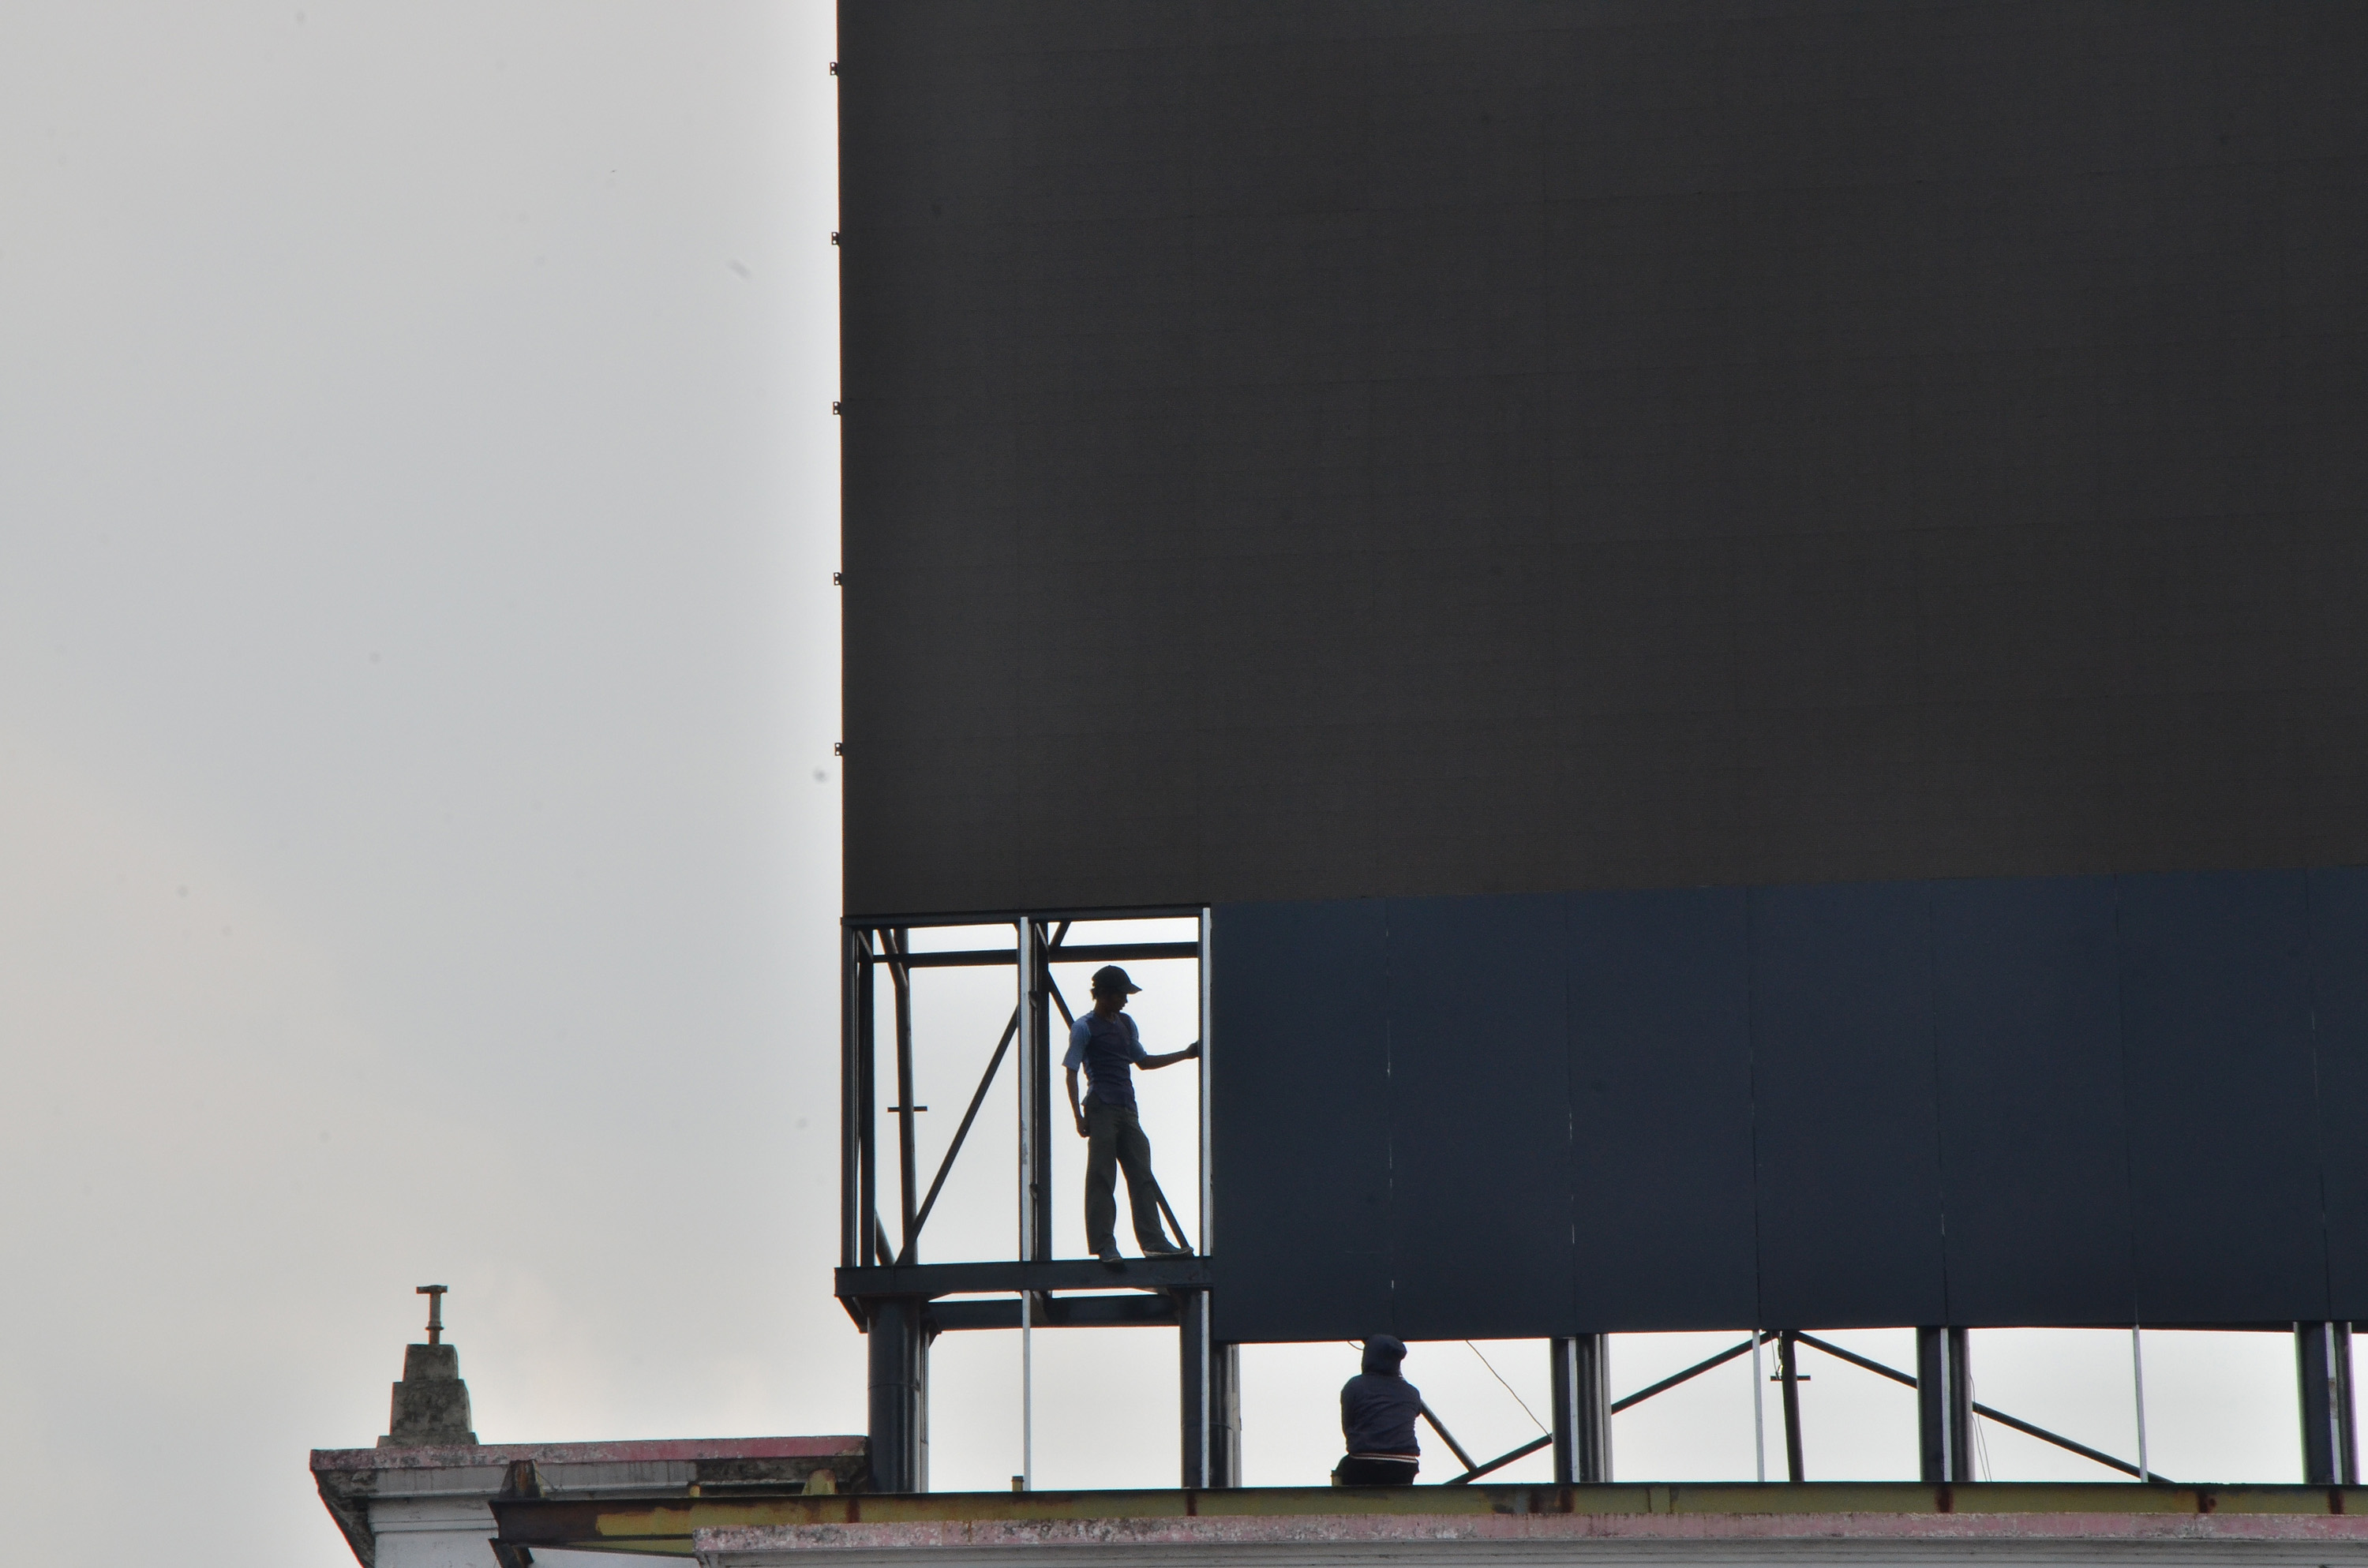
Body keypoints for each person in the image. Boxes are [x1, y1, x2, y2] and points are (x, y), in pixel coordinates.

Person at [1063, 964, 1200, 1263]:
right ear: (1103, 995)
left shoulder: (1126, 1024)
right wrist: (1078, 1117)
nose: (1125, 1001)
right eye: (1121, 995)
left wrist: (1186, 1054)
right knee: (1101, 1175)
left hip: (1127, 1109)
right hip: (1101, 1106)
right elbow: (1071, 1071)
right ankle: (1104, 1246)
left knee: (1142, 1175)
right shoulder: (1084, 1027)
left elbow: (1143, 1062)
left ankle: (1154, 1243)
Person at [1335, 1337, 1422, 1485]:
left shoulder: (1354, 1386)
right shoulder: (1412, 1392)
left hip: (1364, 1462)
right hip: (1404, 1464)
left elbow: (1348, 1427)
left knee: (1343, 1470)